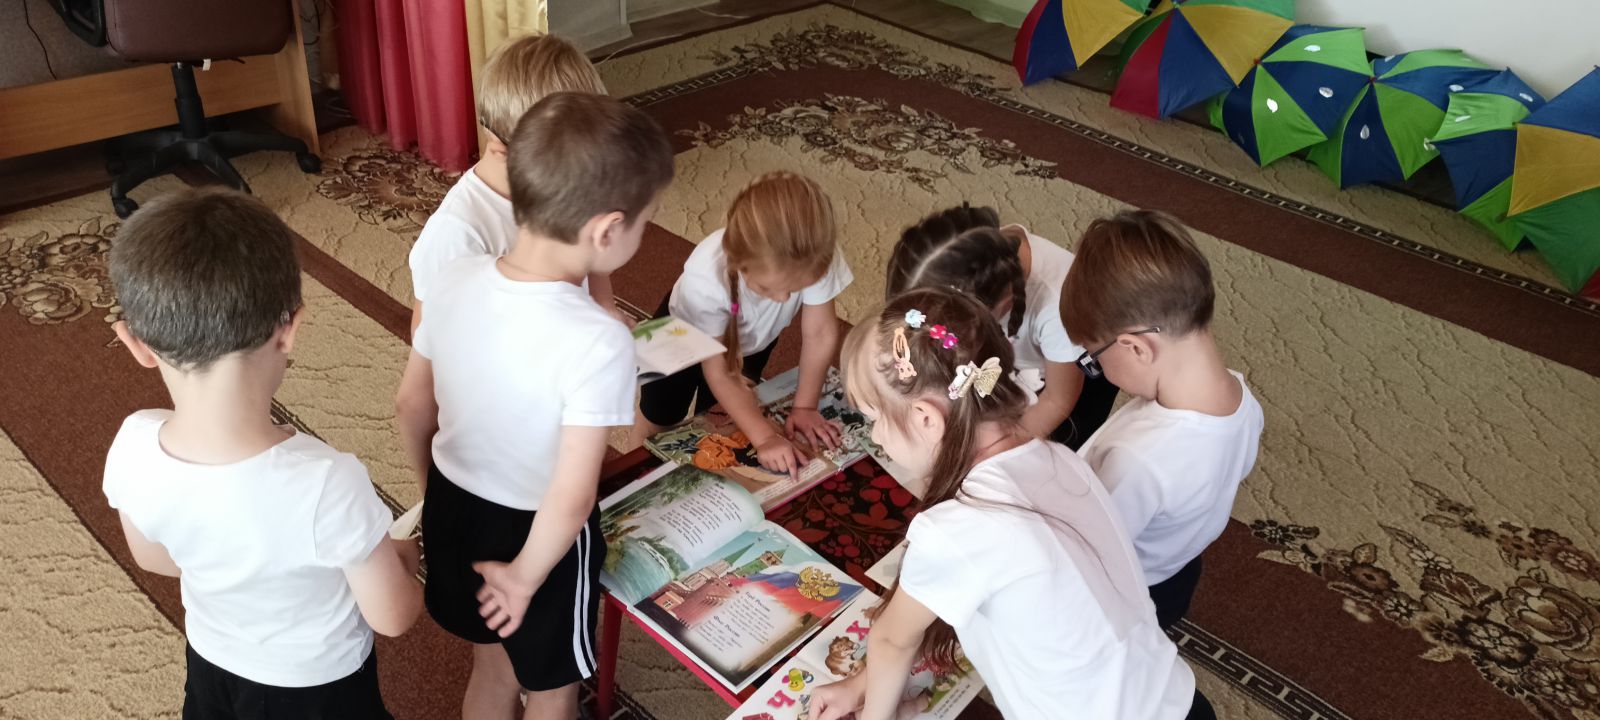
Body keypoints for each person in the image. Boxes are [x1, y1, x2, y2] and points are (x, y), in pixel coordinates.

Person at [393, 92, 674, 720]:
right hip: (536, 536)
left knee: (491, 668)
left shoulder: (453, 278)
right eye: (645, 224)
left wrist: (435, 499)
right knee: (552, 689)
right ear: (607, 230)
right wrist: (523, 576)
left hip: (453, 504)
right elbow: (572, 496)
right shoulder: (599, 341)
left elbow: (411, 405)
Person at [812, 287, 1212, 720]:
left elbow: (893, 639)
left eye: (874, 420)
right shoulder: (1058, 459)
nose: (875, 436)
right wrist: (865, 685)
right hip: (1175, 697)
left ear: (926, 419)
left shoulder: (959, 527)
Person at [104, 187, 422, 719]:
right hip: (319, 691)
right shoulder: (327, 481)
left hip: (212, 663)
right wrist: (403, 559)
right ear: (289, 330)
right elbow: (393, 616)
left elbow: (156, 559)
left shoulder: (133, 443)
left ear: (135, 343)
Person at [1063, 210, 1264, 630]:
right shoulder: (1241, 398)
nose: (1096, 368)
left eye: (1093, 357)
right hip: (1178, 565)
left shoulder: (1138, 460)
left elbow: (1085, 551)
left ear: (1136, 348)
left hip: (1120, 593)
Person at [628, 172, 852, 476]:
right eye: (766, 289)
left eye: (795, 289)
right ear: (740, 263)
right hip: (678, 332)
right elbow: (719, 372)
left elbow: (821, 334)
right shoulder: (705, 275)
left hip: (751, 342)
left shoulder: (816, 253)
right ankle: (631, 475)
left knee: (719, 418)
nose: (783, 299)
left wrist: (805, 407)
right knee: (658, 413)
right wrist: (765, 438)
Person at [407, 33, 625, 336]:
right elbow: (429, 336)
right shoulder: (459, 233)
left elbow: (592, 265)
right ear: (501, 148)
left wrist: (605, 308)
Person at [885, 205, 1116, 448]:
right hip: (1023, 361)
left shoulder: (1057, 309)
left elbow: (1057, 402)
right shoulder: (980, 254)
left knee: (1059, 446)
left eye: (950, 333)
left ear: (1005, 303)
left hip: (1078, 377)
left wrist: (996, 450)